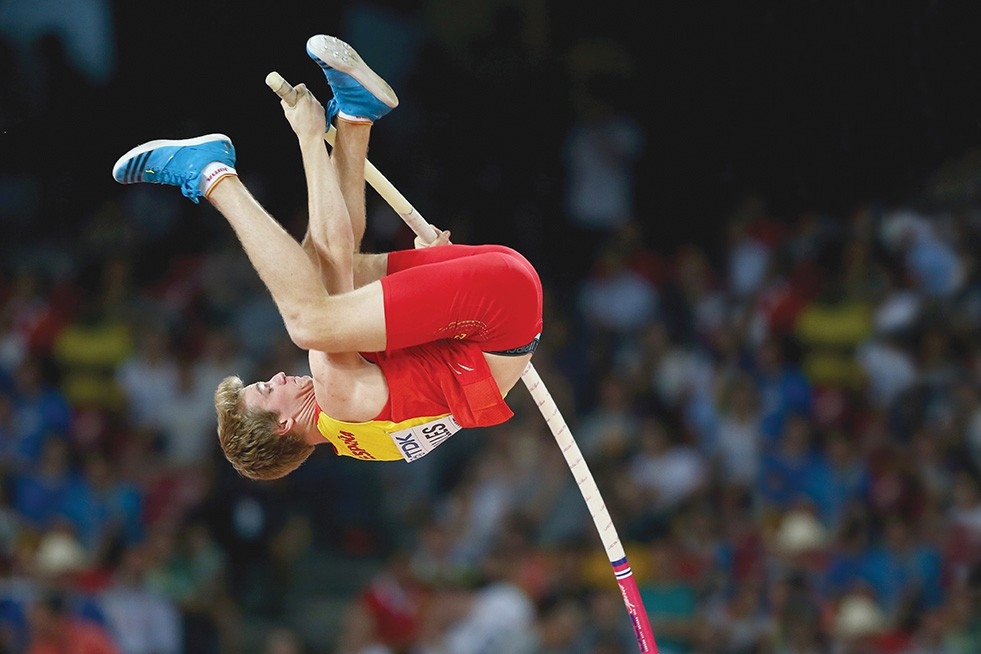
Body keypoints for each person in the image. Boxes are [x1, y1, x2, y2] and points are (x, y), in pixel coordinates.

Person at [111, 35, 543, 480]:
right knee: (308, 321)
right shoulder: (336, 399)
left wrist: (443, 281)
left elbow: (342, 268)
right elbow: (337, 254)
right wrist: (309, 138)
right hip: (497, 308)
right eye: (266, 389)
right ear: (283, 427)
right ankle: (213, 175)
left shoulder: (357, 439)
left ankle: (356, 118)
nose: (277, 376)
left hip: (490, 308)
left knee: (317, 278)